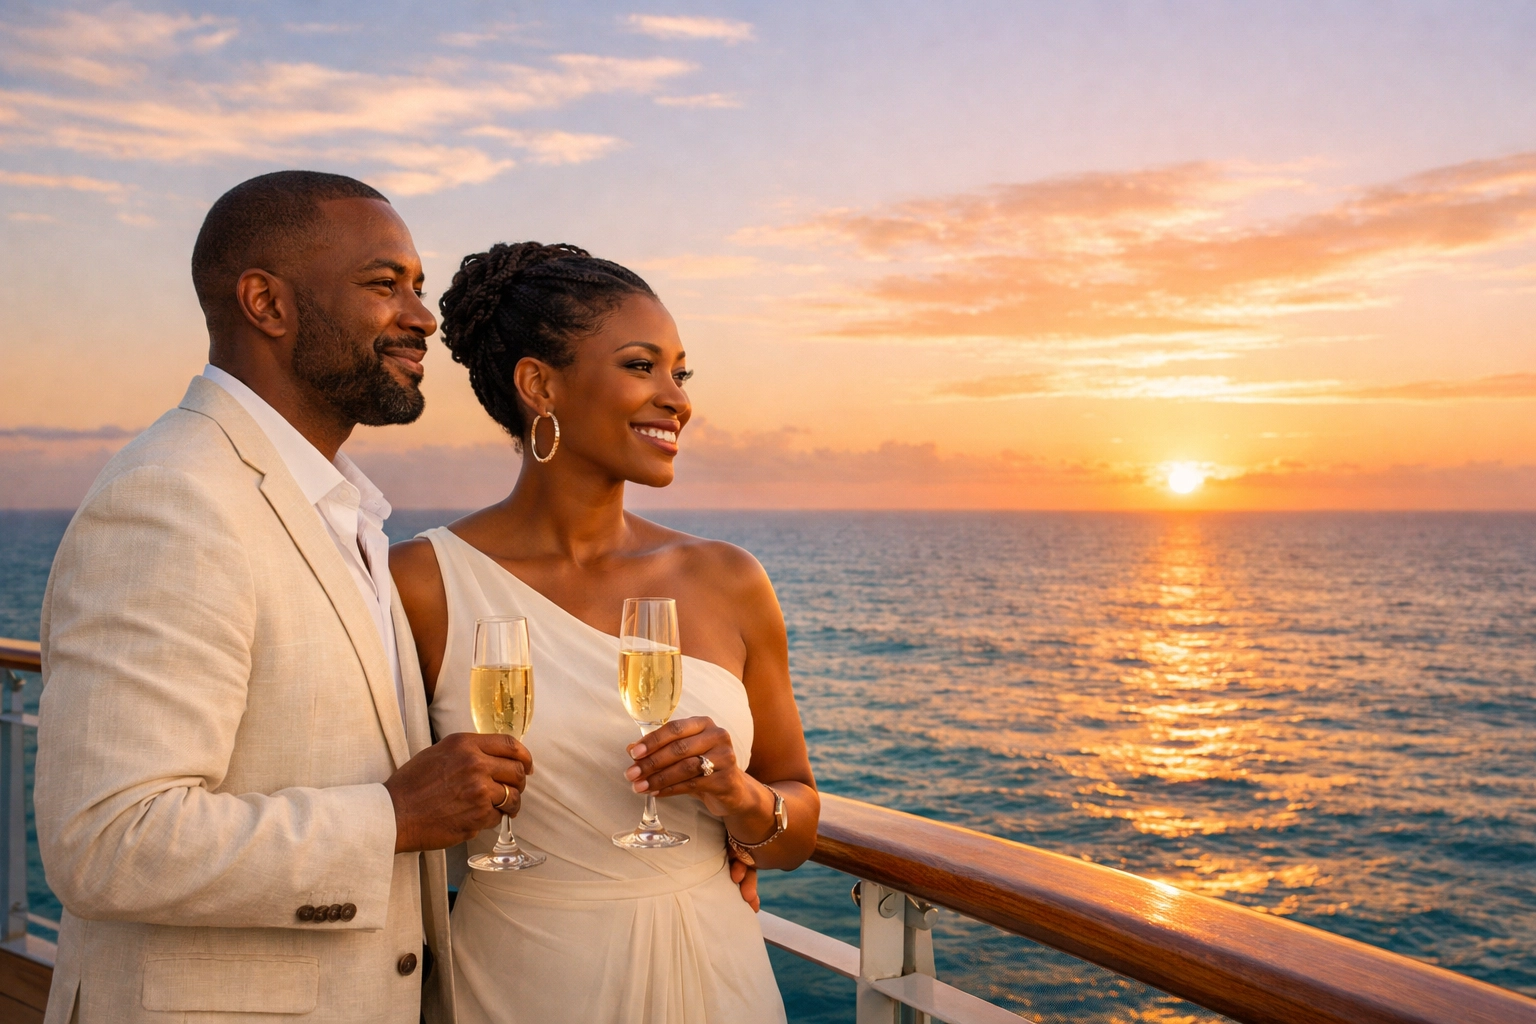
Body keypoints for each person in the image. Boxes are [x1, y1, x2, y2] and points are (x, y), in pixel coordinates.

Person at [34, 171, 534, 1023]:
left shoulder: (337, 507)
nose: (422, 317)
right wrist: (391, 818)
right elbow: (108, 842)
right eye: (385, 285)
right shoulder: (173, 498)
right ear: (266, 302)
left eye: (418, 286)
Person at [391, 242, 819, 1024]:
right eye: (640, 366)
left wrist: (738, 795)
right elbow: (377, 801)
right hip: (520, 977)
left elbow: (794, 827)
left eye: (679, 374)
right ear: (539, 384)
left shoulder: (728, 580)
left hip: (714, 975)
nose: (676, 399)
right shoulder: (420, 584)